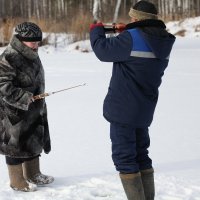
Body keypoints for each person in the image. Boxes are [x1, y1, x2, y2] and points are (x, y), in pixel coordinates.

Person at [90, 1, 175, 199]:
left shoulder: (131, 38)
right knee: (141, 155)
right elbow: (138, 45)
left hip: (123, 109)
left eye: (132, 18)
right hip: (143, 108)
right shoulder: (163, 40)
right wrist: (128, 30)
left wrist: (96, 30)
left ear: (136, 18)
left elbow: (102, 51)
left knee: (125, 158)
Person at [0, 22, 54, 192]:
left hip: (34, 108)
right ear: (21, 40)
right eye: (33, 42)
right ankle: (16, 180)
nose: (36, 45)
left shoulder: (31, 53)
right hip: (14, 112)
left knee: (34, 138)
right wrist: (24, 97)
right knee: (15, 145)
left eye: (38, 42)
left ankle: (33, 174)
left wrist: (37, 99)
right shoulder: (9, 56)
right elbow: (2, 85)